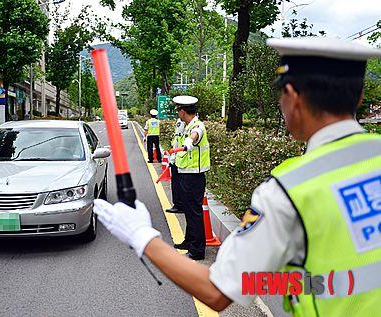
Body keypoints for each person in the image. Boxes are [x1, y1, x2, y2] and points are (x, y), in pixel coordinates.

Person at [93, 37, 381, 316]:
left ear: (292, 96)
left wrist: (143, 237)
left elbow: (216, 292)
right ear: (358, 96)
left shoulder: (290, 190)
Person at [169, 95, 210, 260]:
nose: (177, 113)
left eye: (178, 110)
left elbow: (194, 136)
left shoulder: (197, 126)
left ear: (183, 111)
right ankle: (189, 241)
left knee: (194, 212)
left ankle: (198, 250)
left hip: (194, 176)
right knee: (188, 210)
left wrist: (188, 143)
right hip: (185, 173)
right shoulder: (186, 125)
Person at [165, 118, 185, 214]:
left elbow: (178, 139)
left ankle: (178, 205)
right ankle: (181, 204)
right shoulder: (190, 123)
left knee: (176, 184)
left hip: (179, 159)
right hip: (182, 159)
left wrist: (172, 157)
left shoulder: (181, 122)